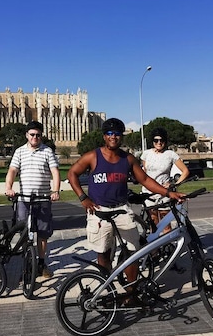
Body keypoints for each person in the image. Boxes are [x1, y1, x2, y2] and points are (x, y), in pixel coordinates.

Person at [67, 118, 184, 289]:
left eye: (117, 134)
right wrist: (83, 198)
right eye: (109, 133)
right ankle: (108, 289)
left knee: (132, 253)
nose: (113, 137)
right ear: (104, 137)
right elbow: (72, 174)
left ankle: (131, 292)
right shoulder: (93, 156)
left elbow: (144, 179)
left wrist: (168, 193)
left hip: (122, 210)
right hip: (99, 211)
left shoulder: (127, 159)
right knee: (104, 253)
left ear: (121, 137)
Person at [5, 120, 61, 278]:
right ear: (27, 135)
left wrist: (55, 190)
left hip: (42, 199)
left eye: (38, 135)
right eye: (32, 134)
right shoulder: (19, 151)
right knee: (25, 233)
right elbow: (12, 171)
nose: (35, 137)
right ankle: (27, 263)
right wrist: (9, 187)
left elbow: (55, 172)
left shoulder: (47, 151)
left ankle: (42, 264)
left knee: (43, 234)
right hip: (24, 199)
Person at [140, 127, 189, 228]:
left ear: (165, 141)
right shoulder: (146, 154)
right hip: (149, 193)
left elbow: (185, 171)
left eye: (161, 140)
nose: (159, 142)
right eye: (156, 140)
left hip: (164, 194)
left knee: (165, 225)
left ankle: (168, 244)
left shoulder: (170, 154)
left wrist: (174, 184)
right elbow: (144, 171)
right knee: (153, 224)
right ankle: (157, 243)